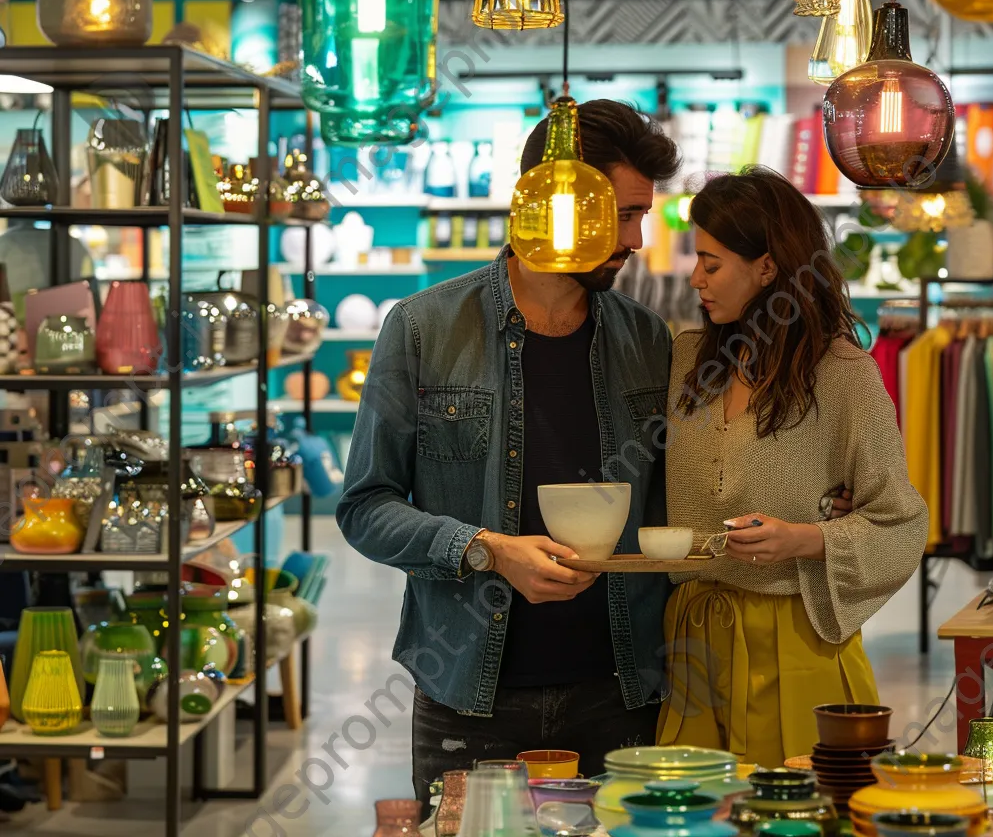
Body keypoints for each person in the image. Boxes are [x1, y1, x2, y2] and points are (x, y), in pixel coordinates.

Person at [337, 100, 680, 806]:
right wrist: (486, 548)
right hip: (470, 690)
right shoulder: (424, 329)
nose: (638, 240)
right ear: (554, 205)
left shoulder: (648, 340)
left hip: (623, 689)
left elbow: (672, 505)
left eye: (642, 215)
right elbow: (365, 507)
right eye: (621, 215)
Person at [657, 166, 929, 766]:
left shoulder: (840, 373)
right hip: (695, 639)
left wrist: (807, 539)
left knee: (800, 815)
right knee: (691, 818)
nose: (695, 277)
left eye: (712, 262)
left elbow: (901, 522)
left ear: (767, 266)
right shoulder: (686, 363)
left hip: (797, 638)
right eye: (696, 259)